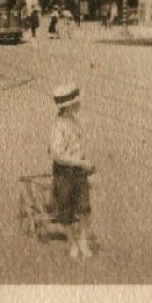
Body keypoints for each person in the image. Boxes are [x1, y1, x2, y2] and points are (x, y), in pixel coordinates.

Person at [49, 83, 95, 259]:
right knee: (66, 211)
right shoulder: (58, 127)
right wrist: (79, 163)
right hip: (64, 172)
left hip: (79, 170)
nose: (79, 105)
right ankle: (72, 242)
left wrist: (84, 163)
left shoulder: (75, 122)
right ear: (67, 107)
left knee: (84, 209)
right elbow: (57, 155)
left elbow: (78, 146)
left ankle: (82, 240)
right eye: (77, 103)